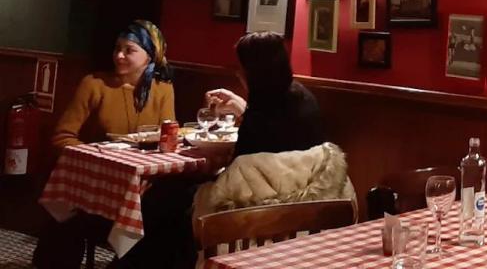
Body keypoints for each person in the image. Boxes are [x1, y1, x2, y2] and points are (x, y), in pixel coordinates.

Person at [34, 21, 175, 269]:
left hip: (138, 186)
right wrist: (97, 157)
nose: (119, 55)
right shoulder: (95, 84)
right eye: (117, 48)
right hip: (94, 184)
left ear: (150, 55)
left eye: (129, 50)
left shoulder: (163, 89)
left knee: (166, 213)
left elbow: (167, 137)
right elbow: (62, 137)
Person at [205, 32, 325, 157]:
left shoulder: (272, 110)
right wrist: (239, 106)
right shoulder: (297, 94)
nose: (238, 73)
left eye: (240, 67)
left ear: (254, 71)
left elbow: (245, 162)